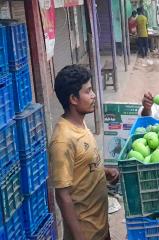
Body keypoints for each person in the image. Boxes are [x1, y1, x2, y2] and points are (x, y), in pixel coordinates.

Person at [49, 65, 119, 240]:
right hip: (85, 233)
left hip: (100, 225)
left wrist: (104, 172)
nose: (94, 95)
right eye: (88, 91)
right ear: (73, 98)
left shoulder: (80, 123)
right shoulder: (62, 140)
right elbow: (62, 195)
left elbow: (81, 167)